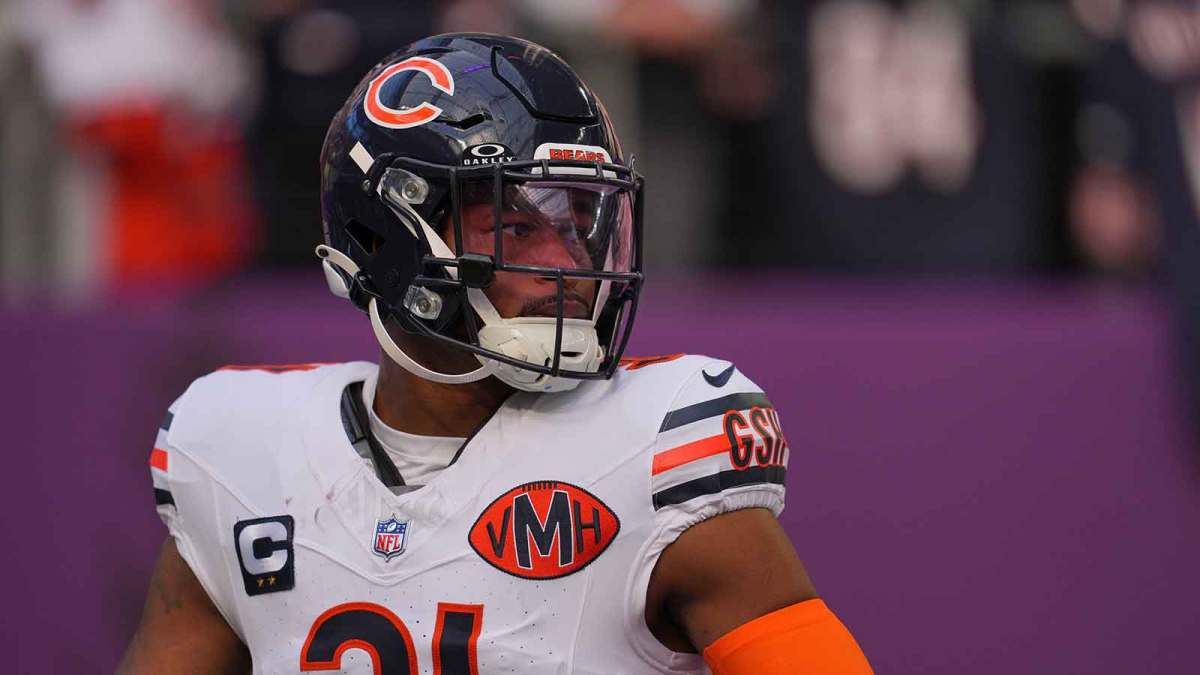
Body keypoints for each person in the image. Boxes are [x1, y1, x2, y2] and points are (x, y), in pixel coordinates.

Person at [118, 34, 873, 675]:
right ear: (388, 232)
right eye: (516, 222)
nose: (566, 262)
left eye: (580, 219)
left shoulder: (655, 456)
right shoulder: (243, 454)